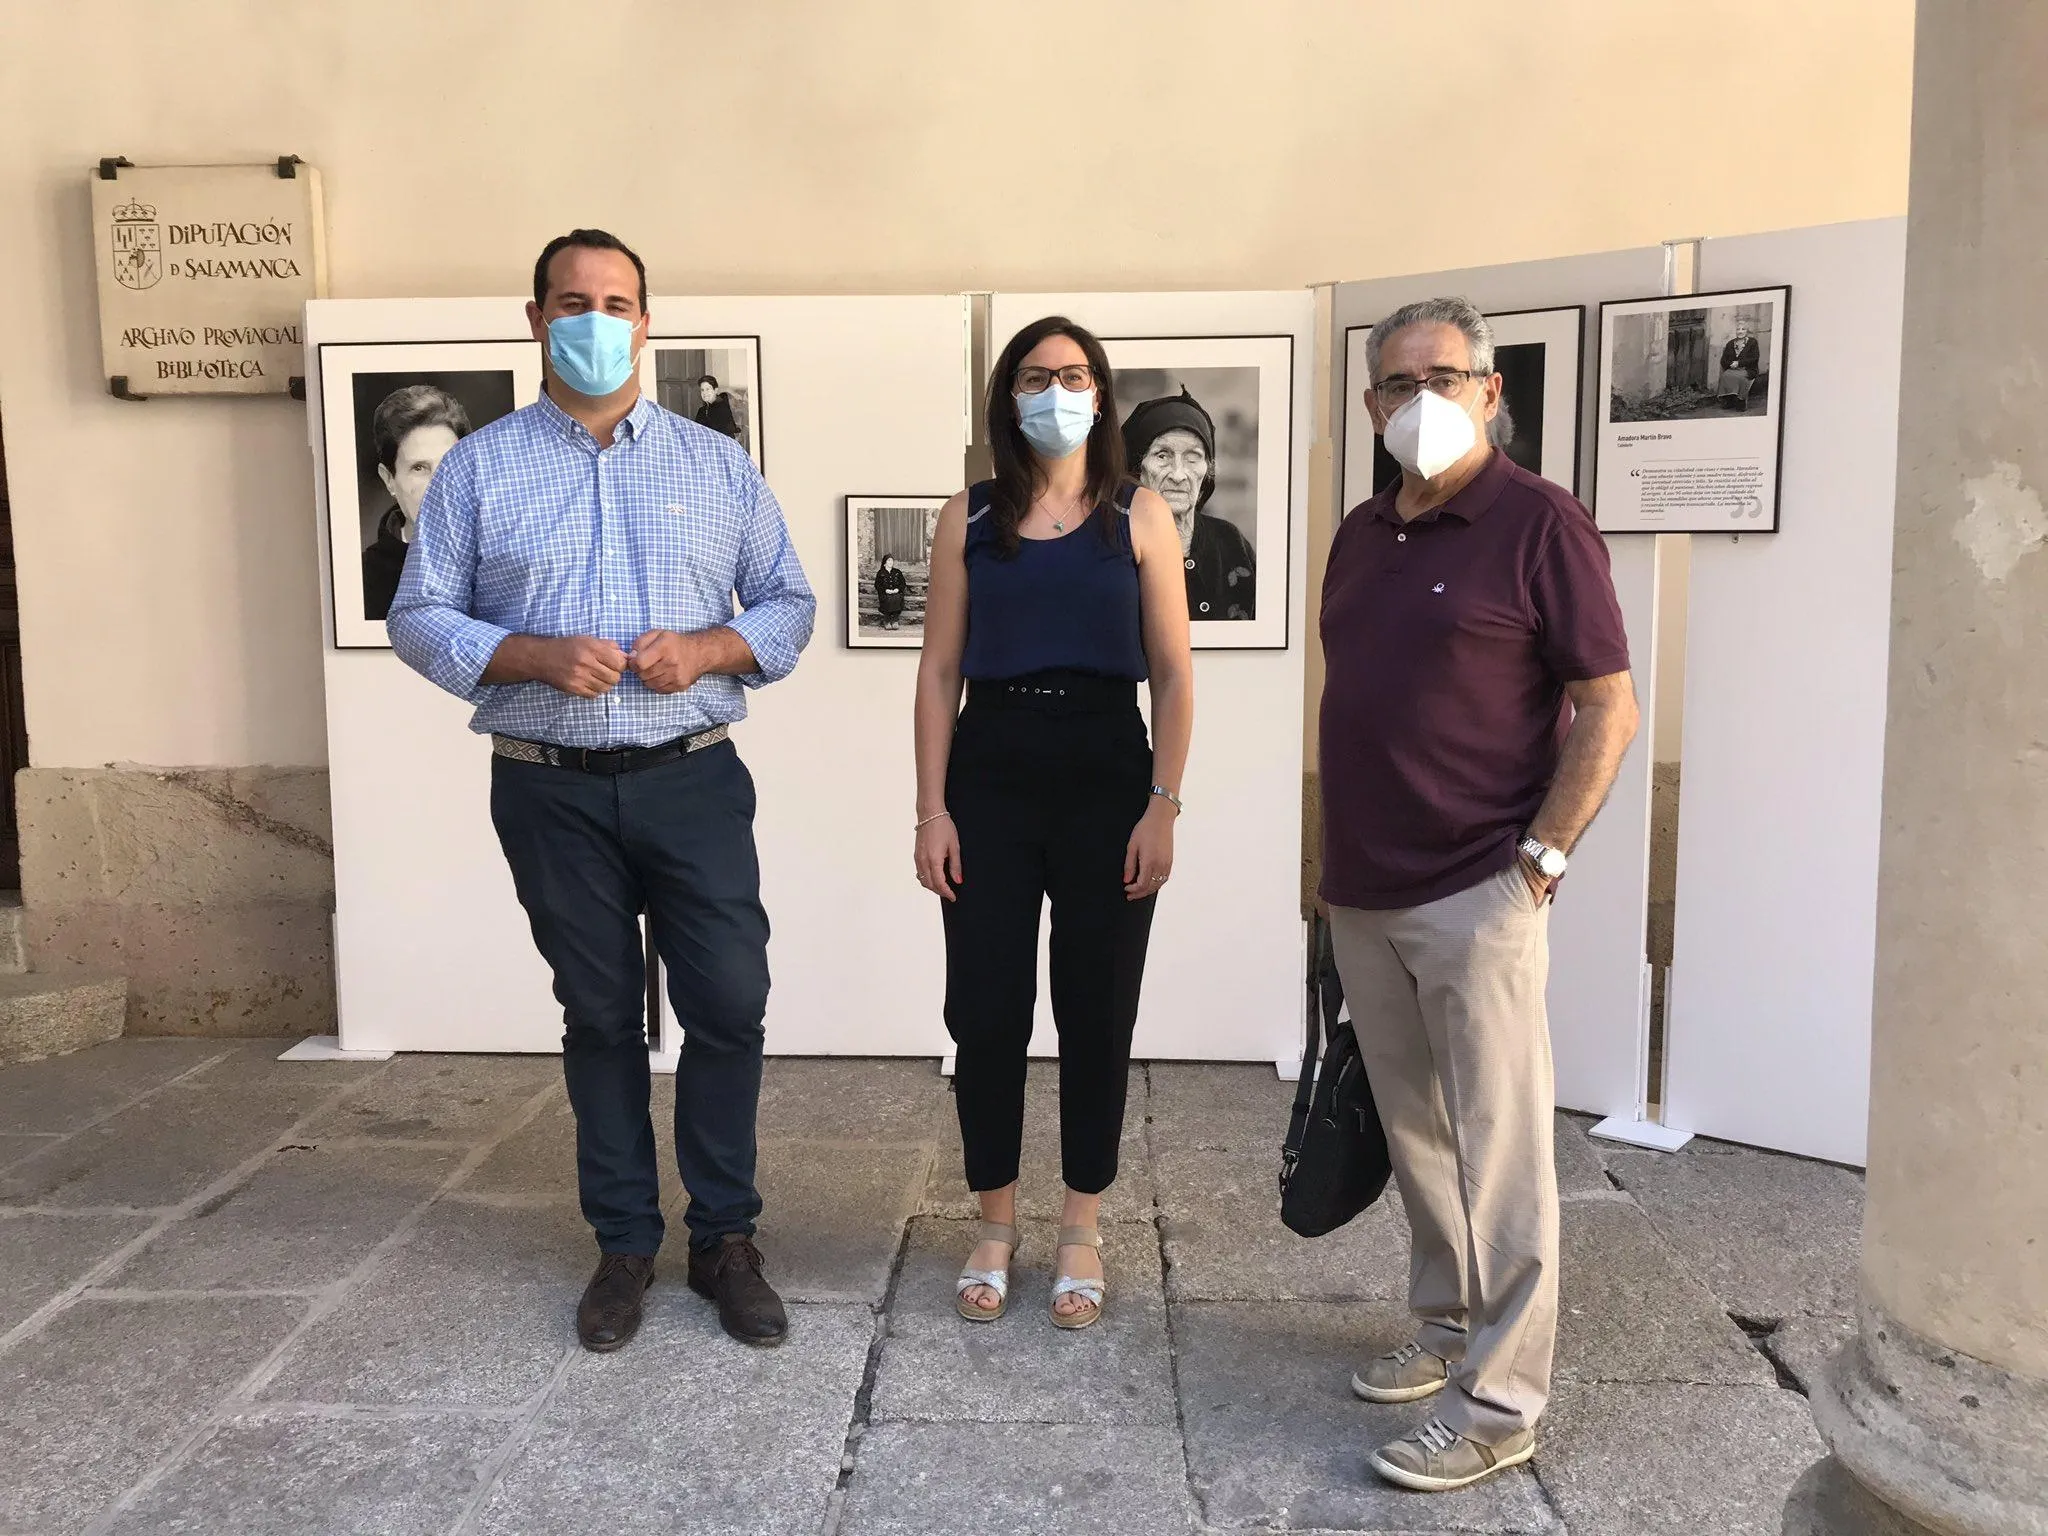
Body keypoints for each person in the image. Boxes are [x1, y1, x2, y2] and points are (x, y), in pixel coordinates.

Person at [387, 228, 816, 1355]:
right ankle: (623, 1243)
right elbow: (418, 615)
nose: (595, 319)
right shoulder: (480, 467)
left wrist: (715, 647)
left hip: (690, 779)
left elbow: (787, 603)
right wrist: (524, 655)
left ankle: (723, 1239)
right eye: (572, 301)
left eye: (617, 302)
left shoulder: (714, 464)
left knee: (728, 1003)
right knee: (598, 1016)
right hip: (550, 790)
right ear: (534, 319)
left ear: (644, 321)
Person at [1320, 297, 1637, 1491]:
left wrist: (1542, 860)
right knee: (1416, 1134)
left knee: (1498, 1149)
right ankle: (1448, 1328)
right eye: (1396, 387)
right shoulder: (1362, 533)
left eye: (1441, 379)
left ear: (1488, 392)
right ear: (1369, 407)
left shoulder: (1540, 525)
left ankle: (1501, 1403)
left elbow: (1606, 706)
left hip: (1475, 887)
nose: (1419, 404)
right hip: (1364, 889)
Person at [912, 316, 1193, 1329]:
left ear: (1101, 393)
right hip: (989, 769)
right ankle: (993, 1219)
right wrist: (931, 808)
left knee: (1096, 1005)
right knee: (984, 1010)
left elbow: (1170, 674)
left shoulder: (1141, 516)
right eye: (1035, 376)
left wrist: (1162, 804)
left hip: (1107, 769)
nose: (1055, 390)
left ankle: (1080, 1222)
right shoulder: (967, 518)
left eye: (1072, 375)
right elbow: (939, 671)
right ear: (1006, 397)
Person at [1121, 388, 1255, 621]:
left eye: (1193, 458)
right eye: (1162, 456)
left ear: (1208, 470)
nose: (1178, 474)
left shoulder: (1230, 542)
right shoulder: (1114, 544)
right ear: (1135, 468)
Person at [362, 384, 471, 621]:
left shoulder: (502, 563)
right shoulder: (363, 577)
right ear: (389, 479)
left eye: (448, 465)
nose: (437, 485)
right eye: (419, 468)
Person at [1716, 319, 1761, 409]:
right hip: (1733, 369)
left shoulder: (1752, 342)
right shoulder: (1730, 344)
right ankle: (1729, 400)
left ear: (1747, 331)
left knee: (1741, 378)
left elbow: (1754, 358)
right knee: (1725, 376)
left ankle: (1741, 401)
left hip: (1747, 369)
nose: (1740, 331)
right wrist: (1731, 364)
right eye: (1738, 329)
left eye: (1743, 329)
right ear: (1735, 331)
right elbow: (1723, 360)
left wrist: (1739, 363)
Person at [694, 374, 743, 441]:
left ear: (715, 390)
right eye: (702, 390)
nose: (704, 393)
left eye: (708, 389)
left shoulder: (723, 408)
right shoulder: (701, 410)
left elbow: (725, 433)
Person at [874, 552, 908, 630]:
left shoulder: (897, 572)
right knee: (888, 599)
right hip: (885, 594)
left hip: (896, 593)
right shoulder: (880, 573)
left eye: (892, 561)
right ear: (885, 563)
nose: (891, 562)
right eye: (889, 561)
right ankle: (887, 620)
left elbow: (903, 583)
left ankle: (895, 620)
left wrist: (897, 589)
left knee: (896, 598)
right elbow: (877, 585)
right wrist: (885, 590)